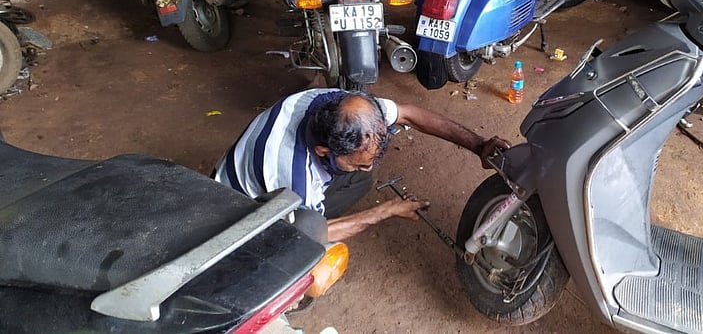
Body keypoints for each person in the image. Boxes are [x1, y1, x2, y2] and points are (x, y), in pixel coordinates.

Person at [213, 88, 510, 242]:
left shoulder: (351, 108)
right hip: (240, 208)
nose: (367, 167)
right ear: (322, 150)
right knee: (304, 237)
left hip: (284, 173)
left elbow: (408, 114)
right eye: (358, 163)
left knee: (360, 179)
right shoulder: (291, 176)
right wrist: (386, 211)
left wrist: (478, 145)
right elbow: (316, 232)